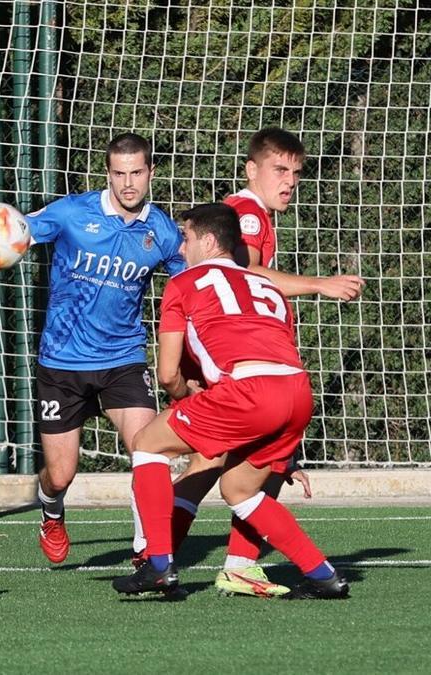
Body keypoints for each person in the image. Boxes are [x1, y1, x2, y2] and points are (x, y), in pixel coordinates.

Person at [0, 133, 185, 564]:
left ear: (151, 173)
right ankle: (51, 512)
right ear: (107, 173)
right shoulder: (72, 213)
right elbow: (12, 233)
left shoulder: (161, 231)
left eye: (137, 173)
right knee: (60, 473)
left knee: (147, 450)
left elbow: (189, 282)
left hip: (123, 359)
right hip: (62, 362)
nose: (128, 184)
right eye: (119, 173)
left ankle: (150, 554)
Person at [163, 128, 365, 598]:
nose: (290, 181)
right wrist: (320, 284)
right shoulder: (248, 215)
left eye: (296, 172)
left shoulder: (250, 214)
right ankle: (209, 561)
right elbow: (245, 272)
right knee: (252, 463)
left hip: (223, 354)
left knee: (218, 461)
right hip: (235, 362)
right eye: (279, 170)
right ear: (252, 170)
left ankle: (167, 554)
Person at [113, 203, 349, 600]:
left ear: (207, 241)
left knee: (148, 444)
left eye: (186, 238)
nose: (181, 248)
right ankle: (322, 574)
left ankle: (157, 563)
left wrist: (187, 399)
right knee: (239, 490)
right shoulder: (266, 286)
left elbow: (168, 374)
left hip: (247, 390)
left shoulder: (183, 283)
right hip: (296, 390)